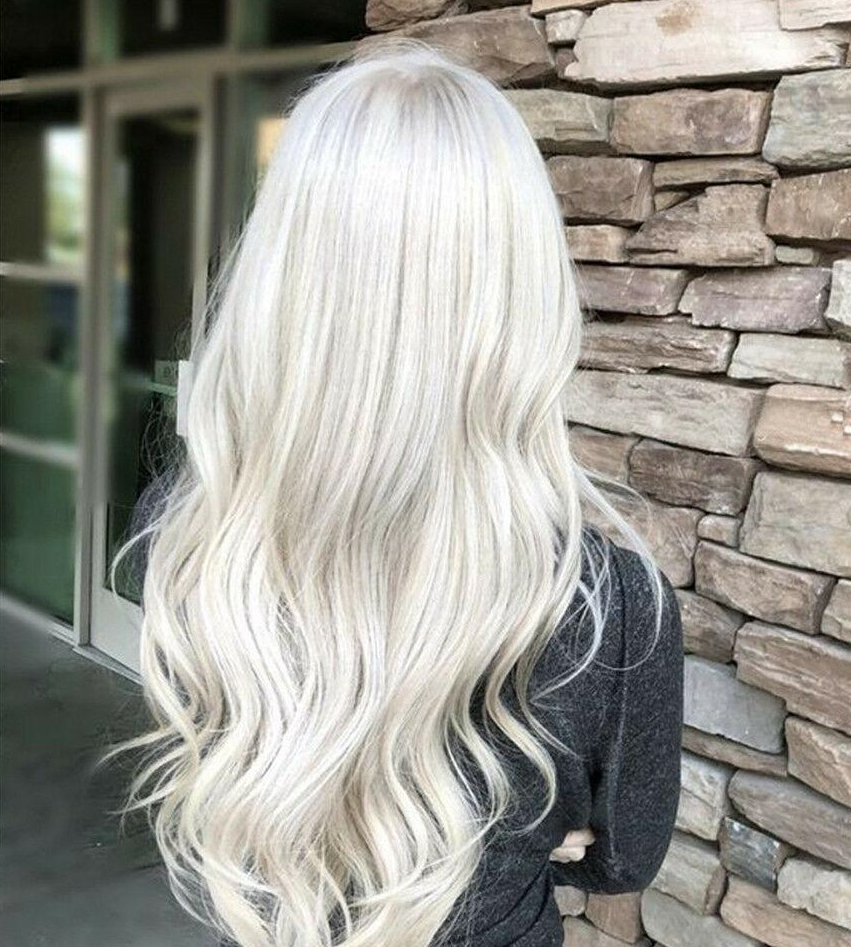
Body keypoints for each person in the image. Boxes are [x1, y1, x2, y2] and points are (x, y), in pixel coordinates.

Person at [106, 41, 684, 947]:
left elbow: (224, 743)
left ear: (281, 273)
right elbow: (622, 858)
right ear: (520, 290)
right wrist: (528, 835)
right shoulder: (607, 603)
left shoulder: (184, 536)